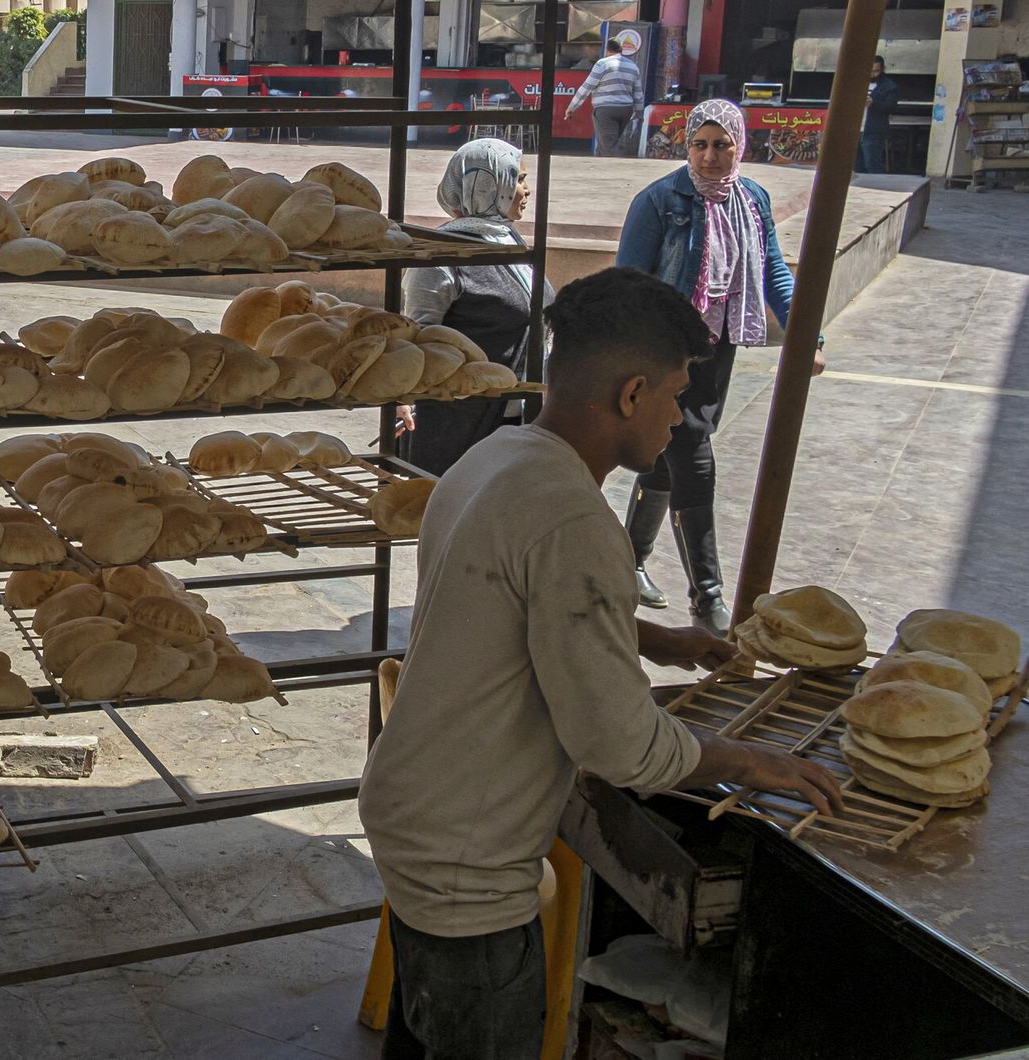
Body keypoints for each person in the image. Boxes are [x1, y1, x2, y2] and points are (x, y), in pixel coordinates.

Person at [358, 267, 843, 1060]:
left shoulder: (498, 457)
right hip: (466, 860)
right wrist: (755, 762)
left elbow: (502, 604)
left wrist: (655, 640)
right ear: (631, 394)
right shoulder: (575, 521)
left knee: (427, 1031)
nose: (680, 416)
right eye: (676, 395)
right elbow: (622, 748)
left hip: (413, 806)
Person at [615, 98, 824, 635]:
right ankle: (707, 597)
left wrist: (806, 338)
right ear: (686, 147)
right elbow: (628, 285)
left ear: (740, 145)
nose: (710, 156)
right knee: (694, 456)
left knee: (668, 457)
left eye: (721, 144)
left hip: (719, 346)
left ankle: (627, 563)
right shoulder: (660, 200)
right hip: (667, 352)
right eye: (699, 144)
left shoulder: (751, 198)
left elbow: (775, 270)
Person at [397, 138, 552, 476]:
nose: (526, 190)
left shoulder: (508, 242)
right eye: (518, 179)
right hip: (457, 427)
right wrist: (404, 399)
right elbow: (415, 335)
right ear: (487, 184)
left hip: (512, 417)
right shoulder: (444, 257)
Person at [565, 38, 644, 158]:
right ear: (621, 49)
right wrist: (638, 113)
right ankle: (597, 170)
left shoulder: (603, 64)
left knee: (609, 147)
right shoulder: (633, 66)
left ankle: (618, 172)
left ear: (607, 49)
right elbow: (638, 93)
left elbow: (586, 87)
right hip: (626, 110)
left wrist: (572, 107)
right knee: (605, 143)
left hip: (605, 110)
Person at [857, 55, 899, 174]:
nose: (873, 74)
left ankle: (877, 189)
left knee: (872, 164)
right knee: (855, 165)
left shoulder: (889, 86)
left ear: (882, 69)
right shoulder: (857, 82)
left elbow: (891, 106)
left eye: (876, 71)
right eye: (870, 71)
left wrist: (873, 103)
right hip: (855, 130)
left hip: (873, 131)